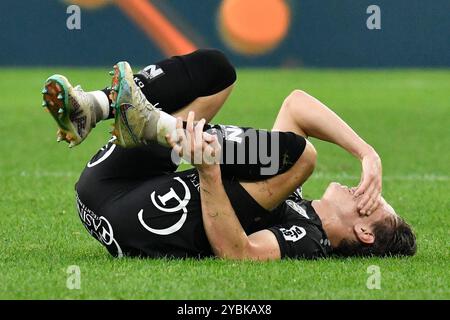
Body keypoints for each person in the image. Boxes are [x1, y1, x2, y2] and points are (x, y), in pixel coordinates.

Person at [41, 49, 416, 260]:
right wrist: (367, 154)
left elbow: (240, 253)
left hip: (133, 222)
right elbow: (297, 104)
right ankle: (94, 107)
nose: (365, 189)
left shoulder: (310, 238)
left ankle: (158, 126)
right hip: (107, 185)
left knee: (302, 156)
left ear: (365, 232)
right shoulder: (293, 191)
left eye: (375, 203)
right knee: (216, 71)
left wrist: (208, 172)